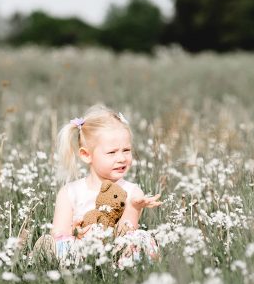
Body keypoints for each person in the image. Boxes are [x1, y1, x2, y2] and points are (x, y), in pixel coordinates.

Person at [35, 104, 161, 263]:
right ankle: (50, 257)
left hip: (114, 251)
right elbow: (59, 232)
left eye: (126, 150)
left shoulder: (132, 192)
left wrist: (133, 208)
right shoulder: (69, 192)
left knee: (136, 242)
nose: (122, 158)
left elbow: (125, 234)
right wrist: (76, 232)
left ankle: (121, 269)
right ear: (86, 155)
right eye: (112, 152)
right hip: (79, 250)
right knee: (59, 244)